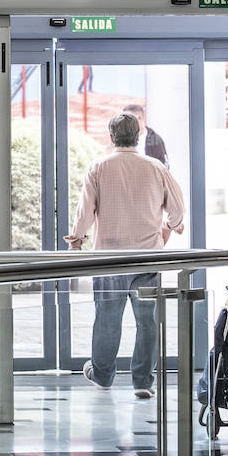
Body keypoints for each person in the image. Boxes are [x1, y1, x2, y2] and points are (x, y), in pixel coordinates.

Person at [63, 113, 186, 399]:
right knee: (148, 322)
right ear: (138, 136)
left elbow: (85, 212)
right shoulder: (156, 167)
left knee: (107, 319)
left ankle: (103, 375)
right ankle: (143, 381)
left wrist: (77, 240)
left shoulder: (99, 167)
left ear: (111, 136)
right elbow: (178, 209)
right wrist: (171, 226)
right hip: (148, 259)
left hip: (110, 258)